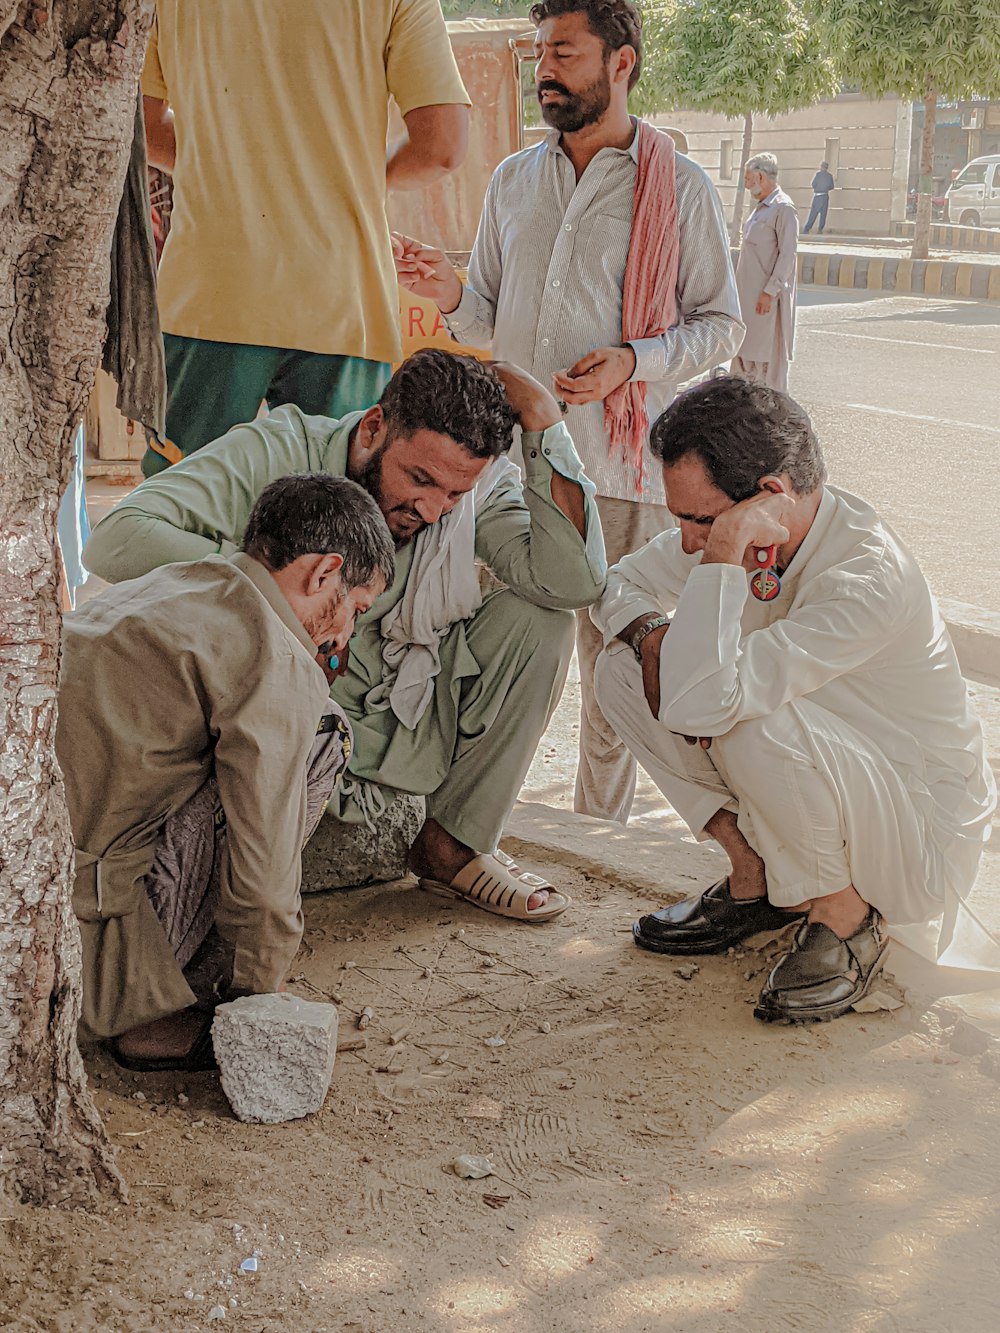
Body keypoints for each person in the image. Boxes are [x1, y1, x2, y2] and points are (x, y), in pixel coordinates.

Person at [84, 349, 607, 928]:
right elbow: (116, 538)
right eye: (419, 479)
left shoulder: (467, 497)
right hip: (272, 719)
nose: (432, 511)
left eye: (454, 495)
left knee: (542, 623)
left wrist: (543, 421)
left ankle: (453, 846)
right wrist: (277, 583)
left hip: (398, 726)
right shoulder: (283, 449)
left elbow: (573, 583)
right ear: (374, 426)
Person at [393, 0, 743, 827]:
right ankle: (459, 824)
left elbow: (721, 325)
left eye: (565, 51)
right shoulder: (515, 178)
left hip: (621, 468)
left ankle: (598, 833)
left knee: (613, 666)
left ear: (620, 64)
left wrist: (634, 360)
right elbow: (483, 314)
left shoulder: (679, 187)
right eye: (540, 50)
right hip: (511, 466)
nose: (544, 68)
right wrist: (448, 294)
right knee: (475, 642)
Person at [591, 377, 995, 1024]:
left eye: (700, 521)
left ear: (770, 496)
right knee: (623, 667)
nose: (689, 541)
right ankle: (756, 878)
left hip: (912, 834)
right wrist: (651, 632)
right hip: (819, 781)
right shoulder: (738, 530)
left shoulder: (864, 579)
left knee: (741, 713)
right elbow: (620, 581)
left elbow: (706, 704)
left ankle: (846, 915)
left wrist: (723, 556)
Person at [59, 475, 396, 1069]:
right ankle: (148, 1015)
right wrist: (263, 1000)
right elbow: (261, 858)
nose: (344, 636)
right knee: (321, 732)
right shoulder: (272, 650)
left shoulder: (168, 586)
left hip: (31, 895)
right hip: (85, 935)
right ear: (325, 574)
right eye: (356, 609)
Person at [139, 0, 470, 475]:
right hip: (342, 299)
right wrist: (347, 176)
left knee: (183, 499)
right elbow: (442, 146)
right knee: (331, 513)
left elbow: (141, 123)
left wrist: (220, 164)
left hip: (208, 293)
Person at [732, 153, 798, 393]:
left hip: (765, 303)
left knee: (765, 362)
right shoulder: (760, 210)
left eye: (749, 178)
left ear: (761, 176)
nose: (747, 184)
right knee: (744, 357)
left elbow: (787, 255)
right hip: (747, 301)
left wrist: (770, 291)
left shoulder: (783, 209)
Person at [803, 160, 835, 235]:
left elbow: (813, 184)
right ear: (827, 168)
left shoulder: (818, 175)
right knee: (823, 214)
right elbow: (831, 186)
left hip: (817, 196)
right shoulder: (829, 176)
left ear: (821, 167)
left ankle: (807, 229)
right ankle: (820, 229)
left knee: (813, 214)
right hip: (825, 196)